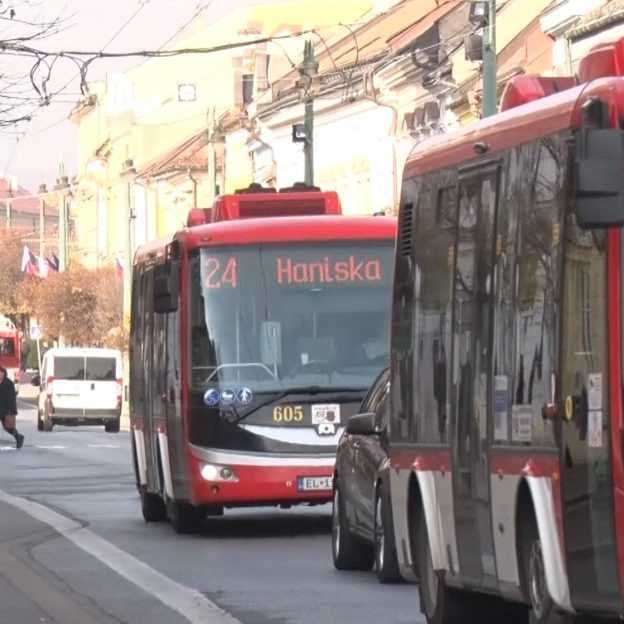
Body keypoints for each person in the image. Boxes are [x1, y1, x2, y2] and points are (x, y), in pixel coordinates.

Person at [0, 366, 24, 449]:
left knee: (8, 427)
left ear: (3, 373)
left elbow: (11, 398)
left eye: (0, 372)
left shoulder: (8, 383)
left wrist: (11, 411)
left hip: (6, 409)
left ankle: (18, 437)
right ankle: (18, 437)